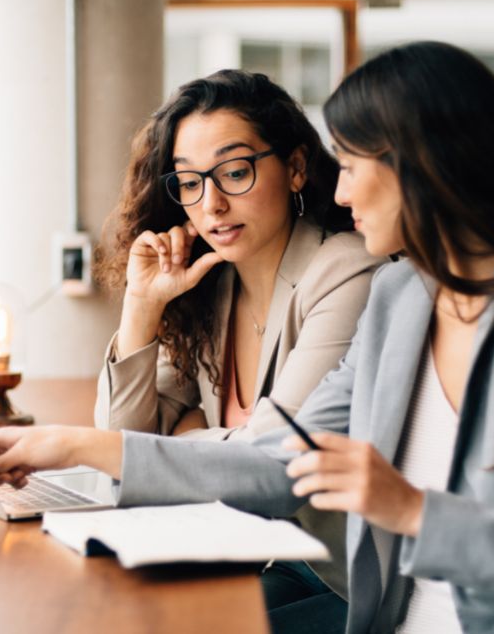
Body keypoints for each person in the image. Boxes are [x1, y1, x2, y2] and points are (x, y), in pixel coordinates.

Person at [0, 42, 494, 633]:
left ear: (425, 166)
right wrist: (70, 445)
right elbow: (280, 463)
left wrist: (411, 509)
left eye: (355, 166)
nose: (342, 193)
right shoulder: (404, 296)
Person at [90, 70, 382, 619]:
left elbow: (273, 465)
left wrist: (187, 433)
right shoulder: (210, 284)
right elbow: (124, 449)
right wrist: (142, 306)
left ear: (295, 168)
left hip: (327, 574)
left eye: (235, 171)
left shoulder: (345, 271)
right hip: (232, 552)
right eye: (191, 181)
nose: (212, 204)